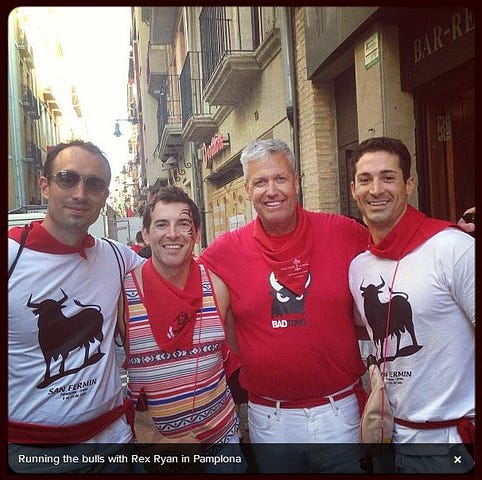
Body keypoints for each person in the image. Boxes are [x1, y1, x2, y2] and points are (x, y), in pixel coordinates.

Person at [199, 138, 369, 473]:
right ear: (248, 189)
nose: (271, 190)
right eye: (260, 182)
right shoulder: (224, 252)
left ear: (297, 181)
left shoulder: (344, 233)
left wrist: (455, 233)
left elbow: (395, 248)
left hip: (341, 415)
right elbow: (186, 289)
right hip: (270, 420)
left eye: (280, 179)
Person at [8, 140, 145, 473]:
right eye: (68, 179)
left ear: (104, 197)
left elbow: (172, 274)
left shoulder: (116, 256)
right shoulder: (10, 257)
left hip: (113, 444)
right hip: (35, 456)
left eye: (94, 184)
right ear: (45, 186)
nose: (80, 193)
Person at [348, 136, 474, 474]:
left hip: (451, 444)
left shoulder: (454, 249)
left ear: (409, 184)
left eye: (388, 177)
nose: (376, 189)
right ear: (353, 190)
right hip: (389, 437)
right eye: (365, 179)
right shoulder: (358, 267)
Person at [122, 186, 247, 474]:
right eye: (161, 224)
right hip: (156, 452)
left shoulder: (218, 287)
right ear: (145, 233)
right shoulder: (123, 294)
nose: (173, 233)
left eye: (183, 224)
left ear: (197, 233)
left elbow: (234, 353)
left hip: (221, 444)